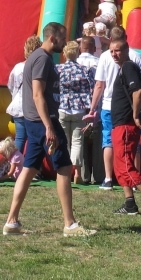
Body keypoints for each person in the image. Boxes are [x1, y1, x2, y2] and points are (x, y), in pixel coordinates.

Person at [3, 22, 95, 237]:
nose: (65, 44)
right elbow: (37, 94)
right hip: (44, 122)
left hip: (34, 122)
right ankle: (70, 224)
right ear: (52, 38)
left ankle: (11, 222)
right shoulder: (42, 59)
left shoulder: (37, 58)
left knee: (29, 169)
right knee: (63, 167)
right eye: (62, 39)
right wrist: (48, 127)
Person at [89, 26, 141, 190]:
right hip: (126, 106)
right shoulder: (136, 56)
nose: (115, 54)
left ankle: (109, 178)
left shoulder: (108, 57)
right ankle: (132, 181)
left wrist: (93, 107)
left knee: (110, 143)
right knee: (130, 146)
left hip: (113, 105)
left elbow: (100, 84)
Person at [107, 39, 141, 216]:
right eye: (111, 51)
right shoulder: (125, 68)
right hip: (120, 124)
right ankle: (130, 203)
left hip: (126, 125)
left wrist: (136, 115)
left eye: (118, 50)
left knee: (126, 165)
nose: (114, 54)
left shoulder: (129, 67)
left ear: (127, 50)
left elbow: (137, 91)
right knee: (121, 164)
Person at [58, 41, 94, 184]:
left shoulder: (58, 69)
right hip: (79, 108)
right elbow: (91, 89)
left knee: (64, 142)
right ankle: (77, 172)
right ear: (78, 52)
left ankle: (64, 172)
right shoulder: (85, 70)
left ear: (64, 53)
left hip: (62, 107)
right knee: (78, 141)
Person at [6, 36, 42, 154]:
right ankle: (33, 167)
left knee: (20, 138)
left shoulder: (18, 67)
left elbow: (11, 85)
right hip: (33, 107)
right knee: (35, 139)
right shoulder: (39, 66)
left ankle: (15, 167)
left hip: (18, 105)